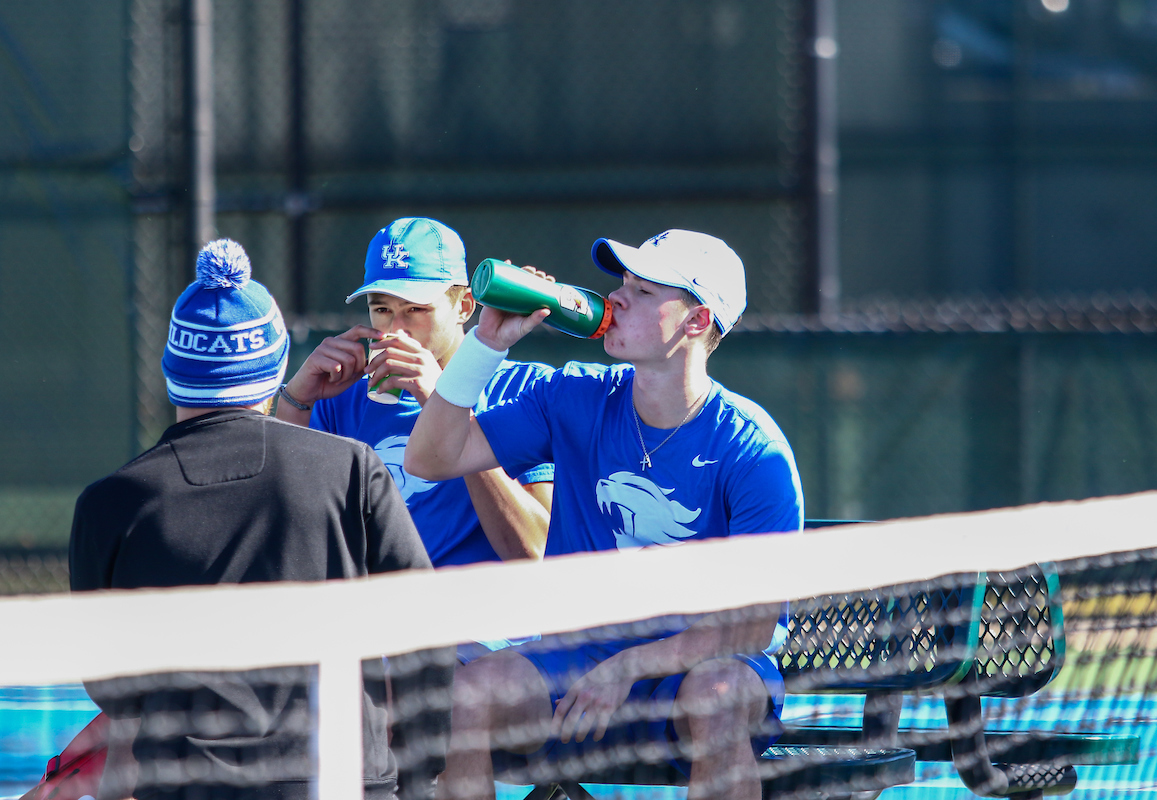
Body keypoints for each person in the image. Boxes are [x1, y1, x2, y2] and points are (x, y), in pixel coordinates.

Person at [405, 229, 805, 800]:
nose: (615, 300)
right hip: (573, 669)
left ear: (697, 322)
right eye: (621, 284)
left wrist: (629, 667)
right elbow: (430, 457)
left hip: (700, 669)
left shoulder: (753, 448)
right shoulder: (574, 395)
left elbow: (755, 624)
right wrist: (486, 344)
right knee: (469, 693)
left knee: (716, 695)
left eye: (643, 292)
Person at [68, 239, 452, 800]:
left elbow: (110, 685)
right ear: (274, 365)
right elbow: (426, 629)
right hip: (345, 780)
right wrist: (415, 772)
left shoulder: (110, 503)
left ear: (173, 369)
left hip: (188, 786)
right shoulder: (348, 468)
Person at [274, 217, 553, 570]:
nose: (396, 328)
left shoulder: (522, 391)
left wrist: (445, 403)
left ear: (464, 307)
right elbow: (289, 525)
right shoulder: (340, 398)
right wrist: (296, 400)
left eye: (416, 310)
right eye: (382, 310)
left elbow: (536, 551)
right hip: (381, 620)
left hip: (484, 621)